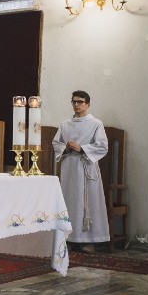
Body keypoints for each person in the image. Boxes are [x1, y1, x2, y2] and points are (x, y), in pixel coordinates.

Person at [52, 90, 109, 253]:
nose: (76, 105)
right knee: (69, 201)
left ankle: (88, 239)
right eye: (74, 102)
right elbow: (56, 143)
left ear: (88, 104)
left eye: (80, 102)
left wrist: (82, 148)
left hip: (86, 167)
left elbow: (102, 145)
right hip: (69, 168)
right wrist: (66, 148)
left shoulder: (96, 124)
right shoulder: (65, 124)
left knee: (87, 203)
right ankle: (69, 238)